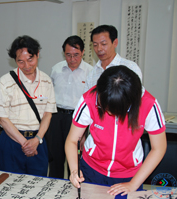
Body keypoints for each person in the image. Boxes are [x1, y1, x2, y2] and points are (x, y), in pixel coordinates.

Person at [65, 65, 166, 196]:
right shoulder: (89, 99)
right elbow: (72, 140)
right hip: (92, 170)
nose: (108, 113)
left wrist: (134, 184)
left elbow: (159, 148)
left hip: (130, 175)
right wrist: (74, 170)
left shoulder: (148, 104)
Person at [0, 35, 57, 176]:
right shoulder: (5, 81)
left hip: (38, 141)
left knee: (37, 184)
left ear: (38, 54)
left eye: (30, 60)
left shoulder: (46, 81)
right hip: (12, 142)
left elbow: (48, 114)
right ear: (14, 60)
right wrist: (25, 143)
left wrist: (37, 139)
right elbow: (3, 119)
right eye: (20, 62)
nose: (27, 66)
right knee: (10, 185)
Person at [47, 35, 92, 179]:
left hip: (78, 119)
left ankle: (74, 185)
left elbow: (91, 103)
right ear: (64, 53)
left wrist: (85, 132)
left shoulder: (90, 72)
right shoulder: (56, 69)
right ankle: (55, 187)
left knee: (75, 157)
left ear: (83, 52)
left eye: (76, 55)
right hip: (56, 116)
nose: (72, 59)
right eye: (68, 55)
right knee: (55, 156)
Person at [84, 25, 142, 92]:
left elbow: (138, 96)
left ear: (115, 43)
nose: (99, 49)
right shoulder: (92, 73)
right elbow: (87, 99)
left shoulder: (131, 67)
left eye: (104, 44)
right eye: (95, 45)